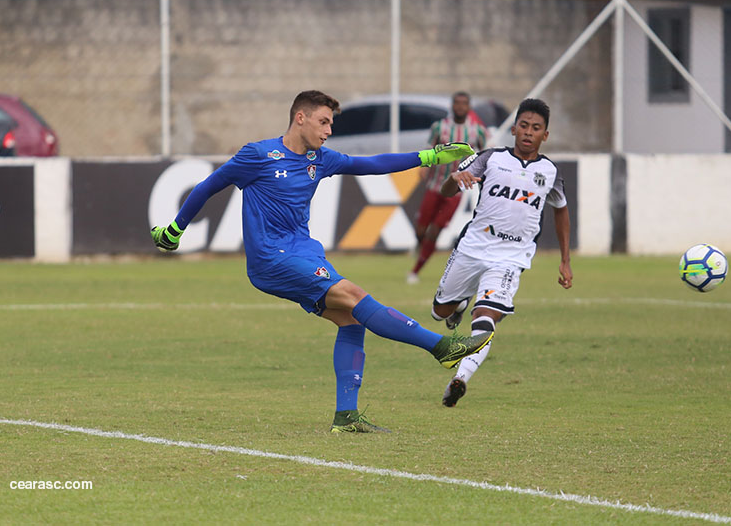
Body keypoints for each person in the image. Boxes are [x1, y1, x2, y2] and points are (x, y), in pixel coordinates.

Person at [151, 90, 493, 433]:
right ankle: (442, 347)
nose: (328, 130)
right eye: (323, 122)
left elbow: (371, 164)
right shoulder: (258, 155)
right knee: (355, 296)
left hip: (306, 253)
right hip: (272, 258)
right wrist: (176, 229)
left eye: (331, 123)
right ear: (300, 118)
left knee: (351, 321)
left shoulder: (321, 159)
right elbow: (208, 186)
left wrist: (429, 156)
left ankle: (346, 416)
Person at [428, 98, 572, 407]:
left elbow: (561, 210)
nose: (528, 133)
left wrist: (565, 259)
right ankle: (458, 304)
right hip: (472, 249)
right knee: (439, 312)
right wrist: (454, 180)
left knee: (487, 317)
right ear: (514, 129)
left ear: (545, 135)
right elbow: (447, 190)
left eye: (536, 128)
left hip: (511, 257)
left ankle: (460, 379)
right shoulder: (489, 158)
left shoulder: (549, 172)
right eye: (523, 126)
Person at [407, 91, 487, 285]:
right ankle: (421, 246)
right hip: (434, 185)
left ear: (469, 107)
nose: (460, 106)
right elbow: (429, 149)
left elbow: (483, 155)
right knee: (421, 230)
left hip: (455, 190)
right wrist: (425, 168)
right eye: (457, 103)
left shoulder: (477, 131)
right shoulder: (439, 127)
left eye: (464, 103)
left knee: (434, 231)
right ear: (452, 106)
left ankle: (416, 270)